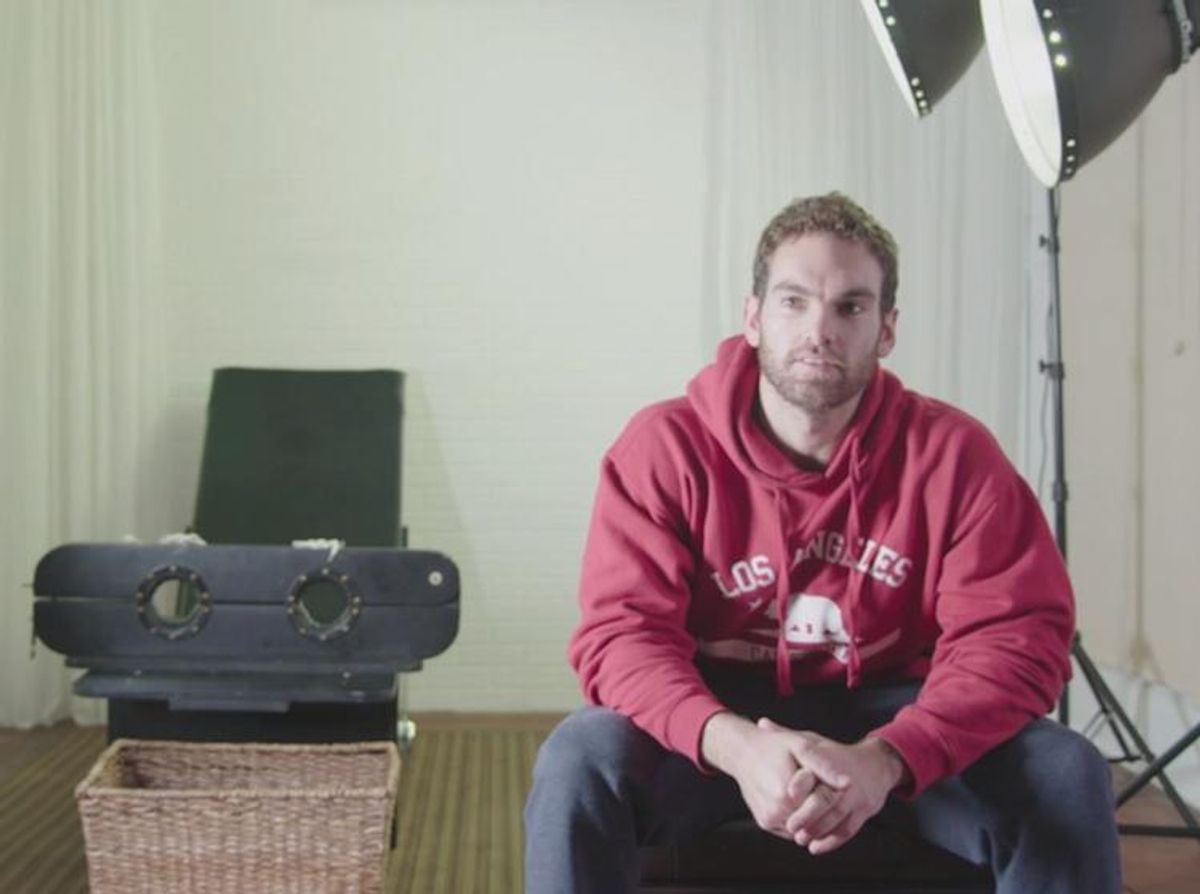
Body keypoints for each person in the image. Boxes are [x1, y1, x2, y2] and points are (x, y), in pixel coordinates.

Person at [524, 192, 1122, 894]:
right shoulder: (664, 449)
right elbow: (622, 636)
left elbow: (1017, 638)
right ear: (754, 317)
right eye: (794, 302)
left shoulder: (955, 457)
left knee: (1065, 771)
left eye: (850, 307)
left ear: (887, 329)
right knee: (578, 760)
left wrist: (888, 757)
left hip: (901, 711)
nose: (819, 330)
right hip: (722, 712)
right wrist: (736, 746)